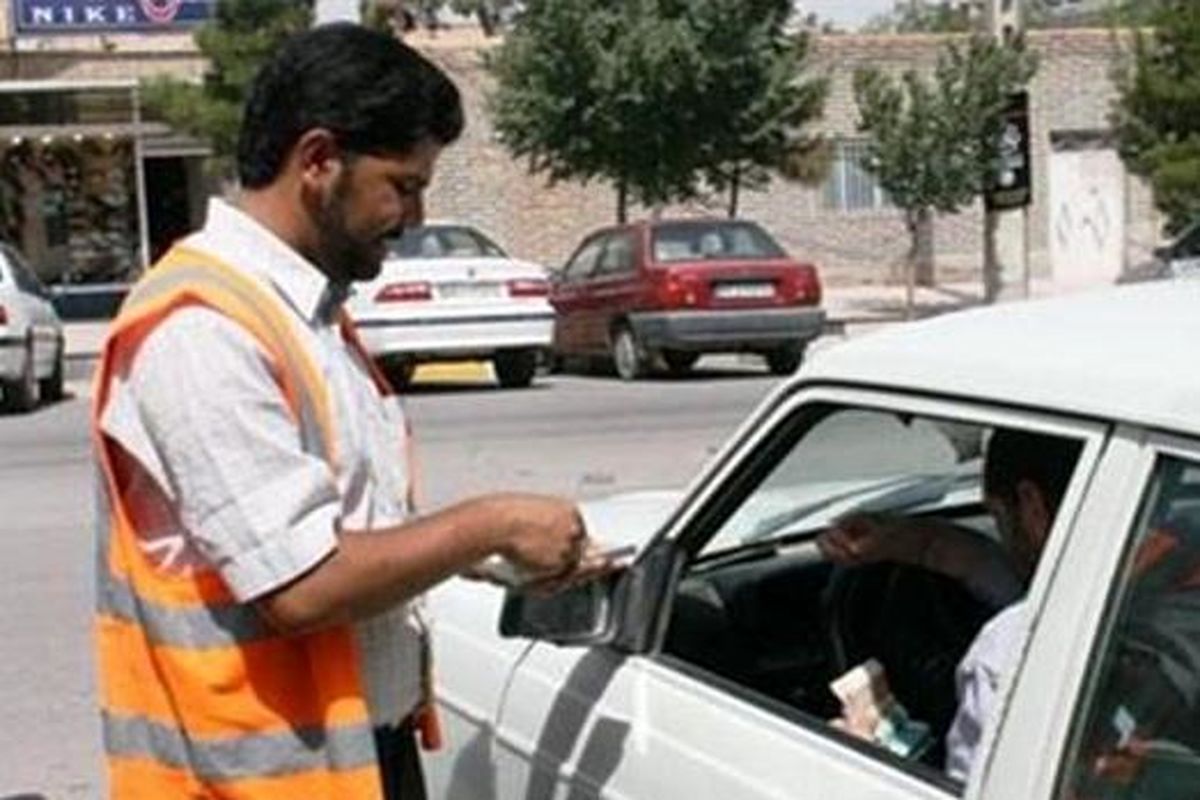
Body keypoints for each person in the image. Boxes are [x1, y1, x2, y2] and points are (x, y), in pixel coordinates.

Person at [91, 24, 604, 800]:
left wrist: (488, 561)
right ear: (320, 162)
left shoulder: (306, 311)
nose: (418, 214)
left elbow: (337, 523)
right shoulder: (202, 329)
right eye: (403, 184)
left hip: (355, 762)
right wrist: (492, 522)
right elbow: (300, 584)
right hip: (253, 783)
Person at [818, 428, 1082, 782]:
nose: (999, 534)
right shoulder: (1142, 591)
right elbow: (995, 574)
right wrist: (913, 542)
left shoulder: (1007, 653)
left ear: (1032, 505)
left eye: (999, 518)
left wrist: (867, 760)